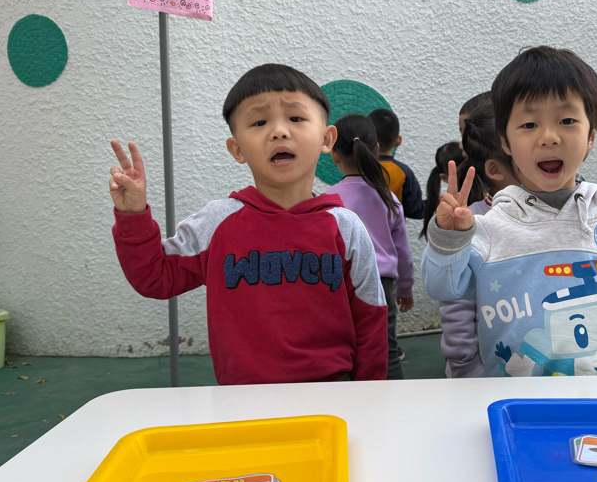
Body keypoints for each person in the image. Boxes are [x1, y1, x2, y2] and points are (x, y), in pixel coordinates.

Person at [109, 63, 388, 385]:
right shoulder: (216, 223)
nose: (279, 131)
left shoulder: (346, 227)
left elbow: (371, 319)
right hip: (240, 400)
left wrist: (368, 396)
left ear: (327, 139)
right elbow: (154, 277)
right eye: (259, 122)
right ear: (237, 149)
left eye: (296, 118)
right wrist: (133, 215)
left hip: (333, 396)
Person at [422, 47, 597, 377]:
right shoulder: (486, 230)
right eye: (529, 124)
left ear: (591, 136)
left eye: (567, 121)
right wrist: (448, 239)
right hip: (519, 404)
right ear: (506, 143)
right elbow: (441, 287)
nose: (549, 137)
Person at [327, 114, 414, 379]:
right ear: (376, 149)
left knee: (344, 345)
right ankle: (392, 398)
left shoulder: (328, 200)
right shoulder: (389, 199)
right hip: (381, 284)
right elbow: (403, 252)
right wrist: (405, 289)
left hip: (342, 283)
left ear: (334, 155)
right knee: (386, 348)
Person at [439, 103, 518, 378]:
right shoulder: (470, 221)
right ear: (495, 169)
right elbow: (455, 306)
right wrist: (465, 369)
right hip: (481, 376)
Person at [369, 108, 425, 219]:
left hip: (359, 229)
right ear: (398, 140)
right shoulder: (403, 172)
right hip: (393, 229)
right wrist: (433, 202)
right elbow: (414, 210)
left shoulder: (357, 168)